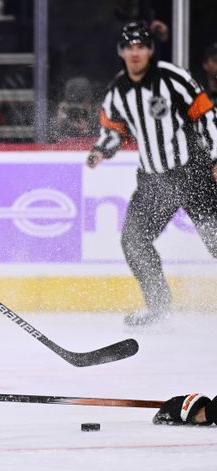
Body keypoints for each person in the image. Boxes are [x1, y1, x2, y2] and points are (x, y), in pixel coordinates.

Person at [86, 21, 217, 327]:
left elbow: (206, 116)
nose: (135, 52)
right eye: (129, 47)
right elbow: (113, 130)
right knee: (133, 241)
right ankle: (158, 308)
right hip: (153, 182)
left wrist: (215, 157)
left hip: (192, 173)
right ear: (121, 51)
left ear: (151, 50)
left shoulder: (173, 78)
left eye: (141, 46)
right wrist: (101, 150)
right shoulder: (117, 91)